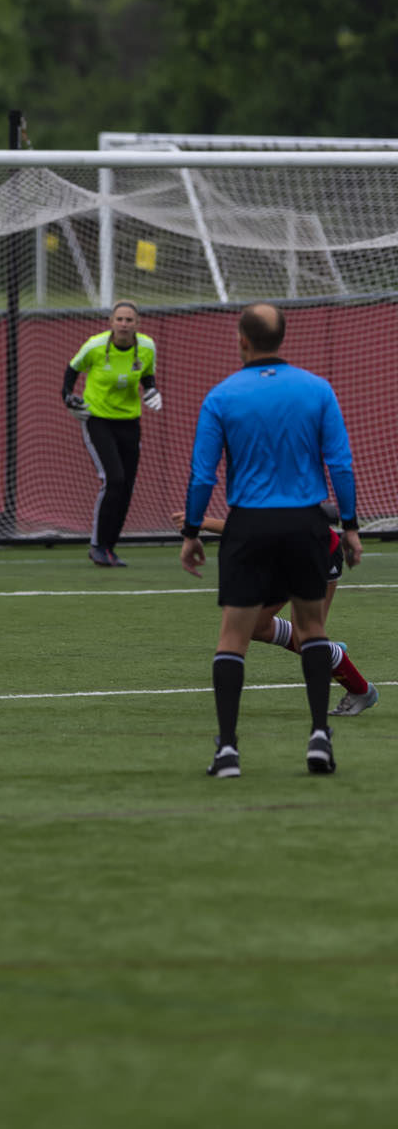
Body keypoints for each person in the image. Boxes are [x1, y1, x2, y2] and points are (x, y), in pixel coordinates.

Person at [180, 302, 360, 779]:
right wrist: (351, 527)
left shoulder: (221, 396)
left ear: (242, 339)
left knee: (233, 637)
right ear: (283, 338)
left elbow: (203, 474)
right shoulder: (317, 389)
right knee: (312, 629)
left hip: (249, 527)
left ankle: (228, 753)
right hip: (306, 523)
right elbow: (340, 464)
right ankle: (319, 736)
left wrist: (191, 531)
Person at [202, 503, 377, 717]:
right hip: (288, 559)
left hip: (319, 556)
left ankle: (361, 690)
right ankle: (324, 648)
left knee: (305, 641)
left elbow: (247, 529)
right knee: (256, 626)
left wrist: (200, 523)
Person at [64, 300, 160, 567]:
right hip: (98, 418)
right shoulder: (95, 346)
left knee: (127, 486)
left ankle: (109, 548)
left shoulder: (147, 347)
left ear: (137, 324)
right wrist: (68, 398)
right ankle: (97, 545)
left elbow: (147, 375)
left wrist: (152, 390)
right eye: (120, 319)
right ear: (111, 322)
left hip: (129, 421)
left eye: (129, 320)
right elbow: (72, 369)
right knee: (114, 479)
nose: (124, 325)